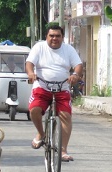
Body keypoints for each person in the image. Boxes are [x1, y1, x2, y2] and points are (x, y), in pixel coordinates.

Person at [26, 25, 83, 162]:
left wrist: (75, 75)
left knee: (66, 116)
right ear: (46, 36)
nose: (54, 38)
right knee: (34, 109)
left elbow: (78, 65)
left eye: (58, 36)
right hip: (42, 86)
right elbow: (29, 63)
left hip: (62, 88)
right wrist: (30, 73)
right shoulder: (39, 47)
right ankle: (41, 134)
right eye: (51, 35)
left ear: (62, 37)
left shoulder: (68, 49)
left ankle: (63, 150)